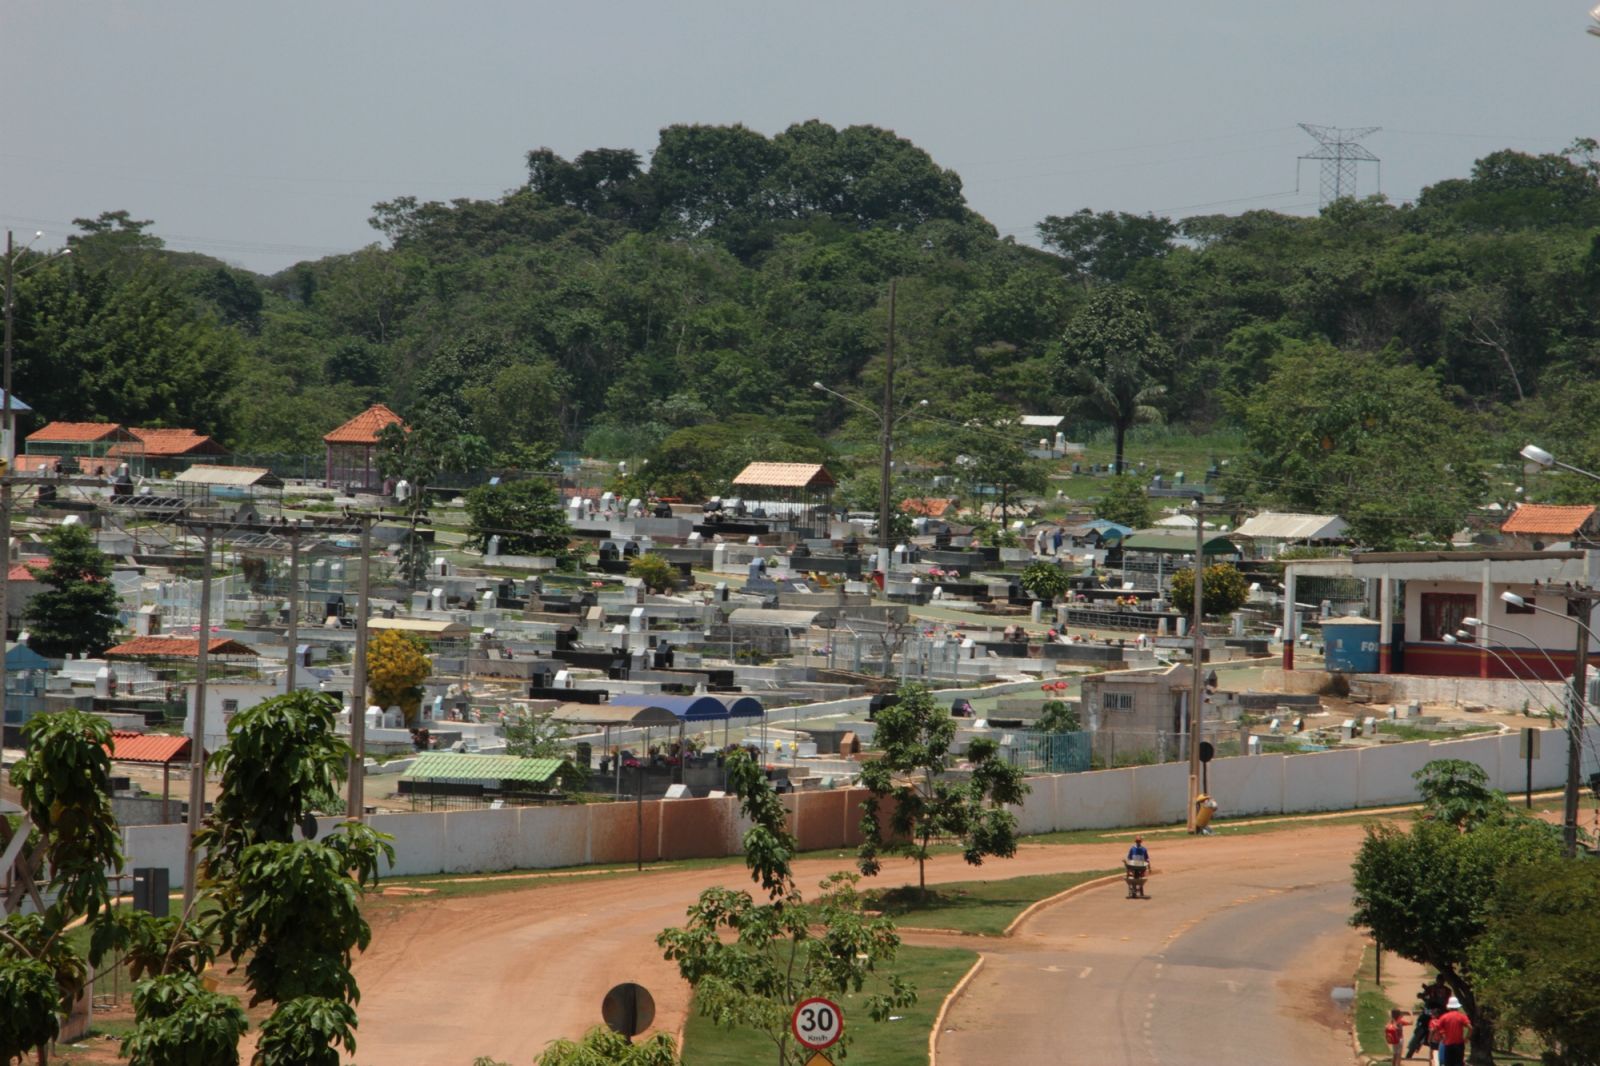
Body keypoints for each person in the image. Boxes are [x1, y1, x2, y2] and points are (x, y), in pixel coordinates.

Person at [1408, 975, 1448, 1059]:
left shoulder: (1447, 990)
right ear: (1436, 980)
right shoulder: (1430, 988)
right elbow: (1423, 995)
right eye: (1439, 980)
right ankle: (1414, 1045)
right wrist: (1422, 995)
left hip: (1440, 1013)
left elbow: (1444, 1001)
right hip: (1428, 1012)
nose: (1440, 982)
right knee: (1420, 1024)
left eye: (1442, 980)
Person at [1430, 996, 1470, 1066]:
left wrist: (1430, 1038)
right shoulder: (1462, 1016)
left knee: (1448, 1063)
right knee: (1459, 1063)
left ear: (1449, 1007)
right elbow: (1470, 1028)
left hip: (1448, 1045)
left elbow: (1436, 1028)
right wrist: (1466, 1038)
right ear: (1457, 1007)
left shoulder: (1445, 1017)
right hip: (1459, 1044)